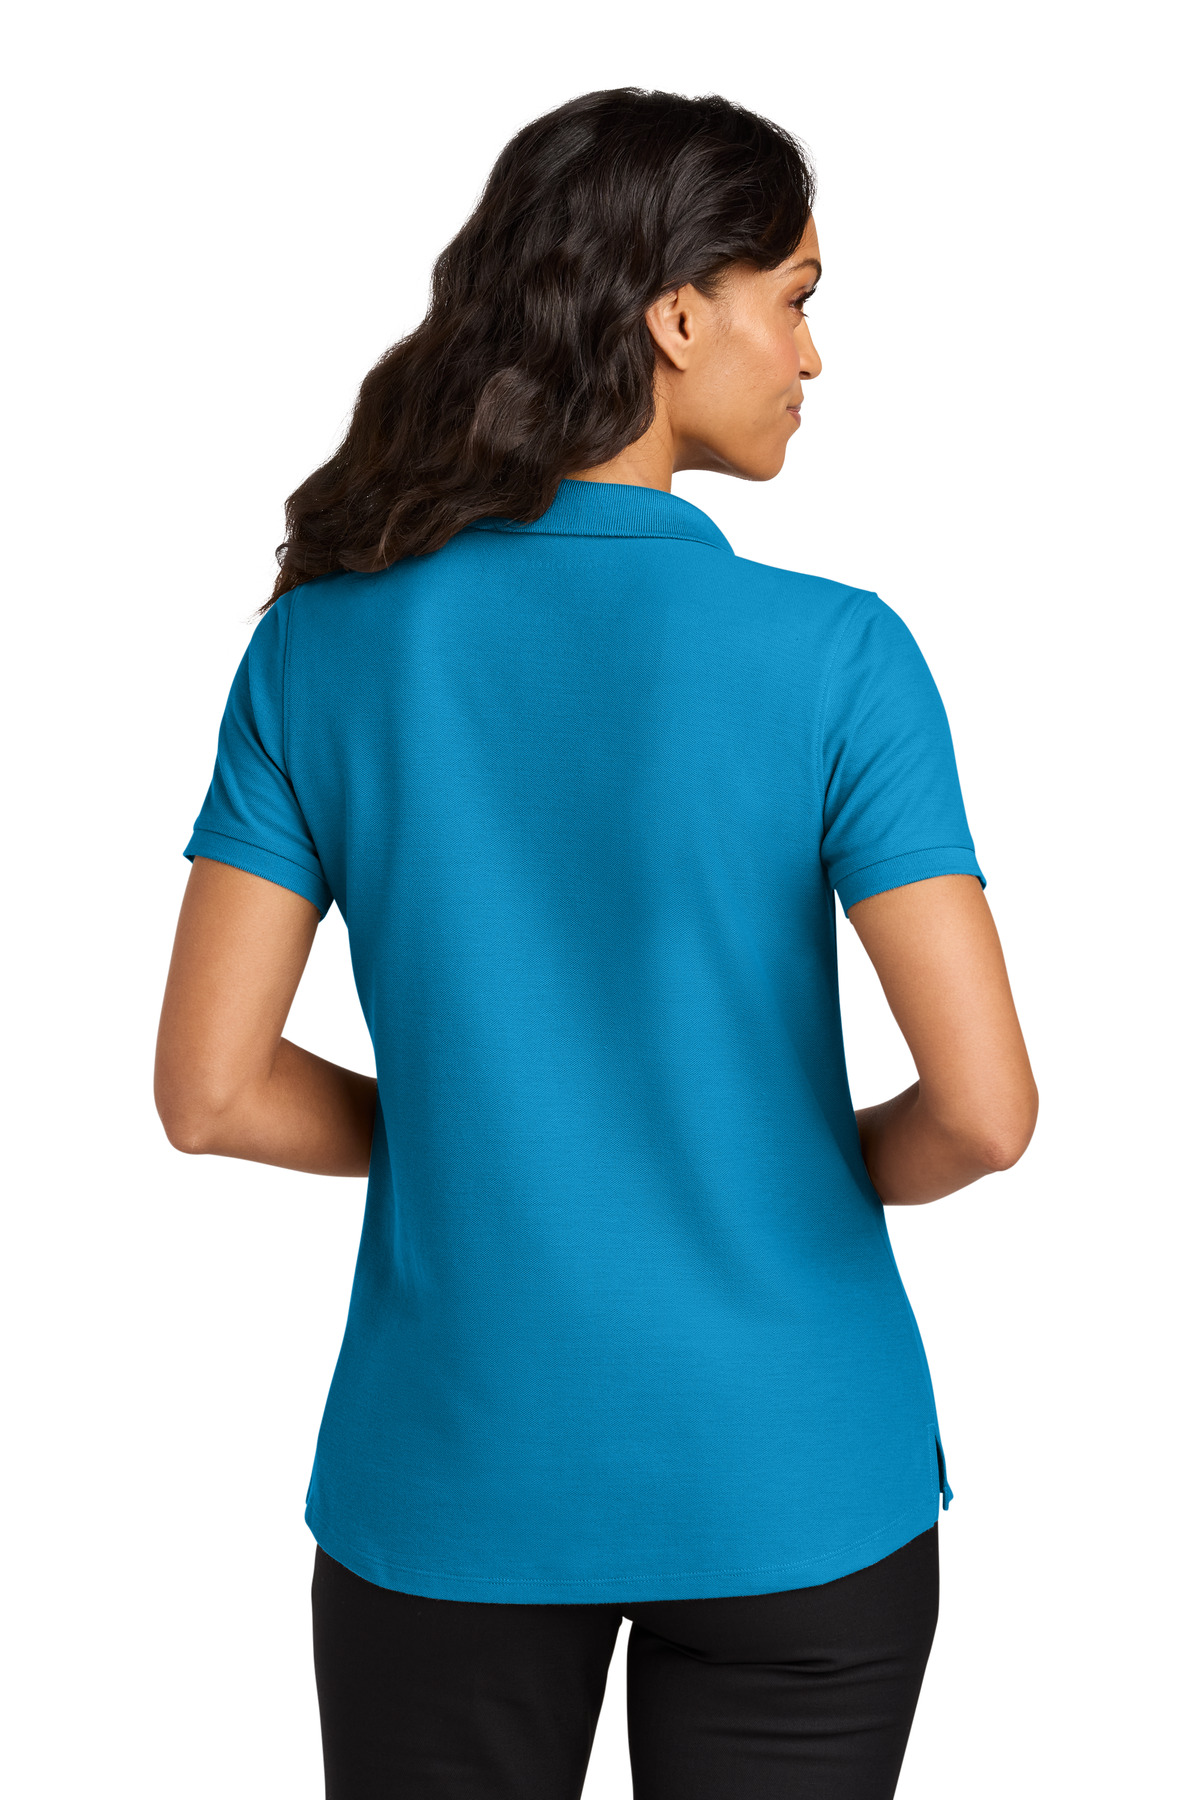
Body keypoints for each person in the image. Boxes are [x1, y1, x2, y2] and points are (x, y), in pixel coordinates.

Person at [155, 87, 1037, 1800]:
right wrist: (790, 1160)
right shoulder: (839, 656)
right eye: (796, 296)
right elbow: (987, 1114)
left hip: (451, 1483)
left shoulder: (318, 651)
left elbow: (211, 1091)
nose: (813, 353)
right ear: (677, 312)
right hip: (794, 1475)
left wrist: (491, 1134)